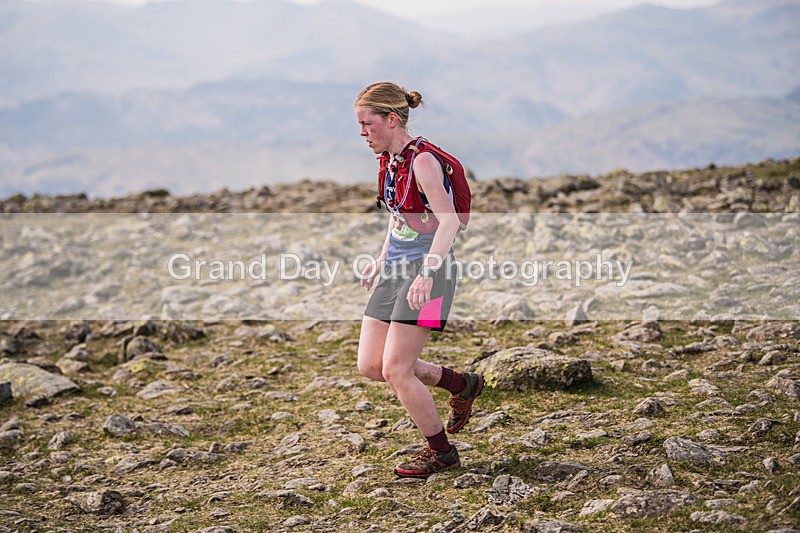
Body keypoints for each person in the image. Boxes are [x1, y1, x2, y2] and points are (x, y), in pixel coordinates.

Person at [354, 81, 484, 478]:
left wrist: (427, 273)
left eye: (367, 123)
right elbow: (399, 218)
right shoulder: (389, 161)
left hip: (430, 275)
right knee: (371, 366)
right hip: (395, 272)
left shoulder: (422, 162)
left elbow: (449, 223)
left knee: (396, 370)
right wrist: (380, 260)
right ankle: (460, 383)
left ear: (392, 119)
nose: (362, 132)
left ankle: (441, 453)